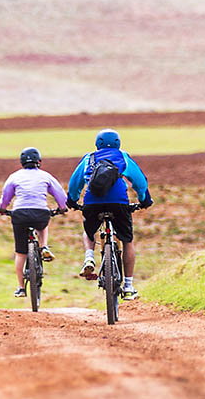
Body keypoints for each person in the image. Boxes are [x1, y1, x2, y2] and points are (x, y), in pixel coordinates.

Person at [66, 128, 153, 300]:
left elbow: (75, 183)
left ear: (96, 144)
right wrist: (144, 200)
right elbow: (140, 181)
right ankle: (128, 286)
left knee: (89, 231)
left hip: (92, 202)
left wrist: (72, 201)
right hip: (119, 202)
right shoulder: (123, 157)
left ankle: (89, 258)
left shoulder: (88, 158)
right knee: (127, 240)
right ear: (118, 143)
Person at [0, 146, 69, 298]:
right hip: (40, 213)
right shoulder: (45, 176)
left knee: (20, 252)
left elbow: (6, 196)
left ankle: (21, 287)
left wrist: (2, 209)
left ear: (22, 162)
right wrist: (62, 208)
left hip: (20, 214)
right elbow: (60, 194)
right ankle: (43, 246)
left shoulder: (14, 176)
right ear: (39, 162)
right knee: (43, 223)